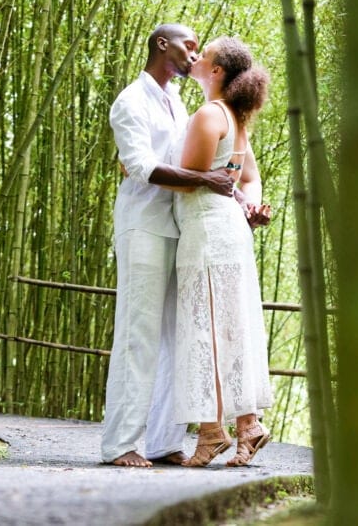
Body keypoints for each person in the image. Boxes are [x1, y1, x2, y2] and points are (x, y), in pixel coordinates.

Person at [102, 23, 235, 468]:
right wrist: (206, 180)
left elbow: (187, 160)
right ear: (163, 45)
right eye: (189, 45)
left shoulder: (179, 102)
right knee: (137, 334)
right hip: (143, 225)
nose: (195, 54)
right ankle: (121, 444)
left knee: (178, 337)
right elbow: (139, 166)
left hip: (183, 228)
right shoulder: (131, 101)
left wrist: (234, 195)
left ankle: (163, 440)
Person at [167, 37, 275, 467]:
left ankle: (212, 432)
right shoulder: (235, 116)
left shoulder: (210, 114)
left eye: (204, 55)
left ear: (216, 71)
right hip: (229, 228)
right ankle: (248, 426)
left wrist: (136, 169)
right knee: (229, 326)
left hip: (208, 229)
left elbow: (187, 176)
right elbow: (249, 177)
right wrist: (249, 206)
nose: (195, 58)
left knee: (207, 327)